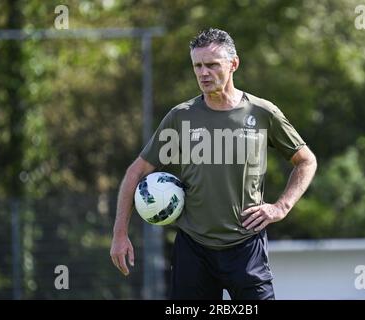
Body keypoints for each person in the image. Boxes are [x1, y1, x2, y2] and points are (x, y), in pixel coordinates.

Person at [110, 28, 317, 300]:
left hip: (246, 247)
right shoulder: (181, 117)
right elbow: (136, 172)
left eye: (212, 65)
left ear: (233, 64)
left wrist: (281, 207)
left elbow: (305, 161)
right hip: (193, 248)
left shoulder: (261, 112)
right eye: (197, 65)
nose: (203, 73)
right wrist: (120, 234)